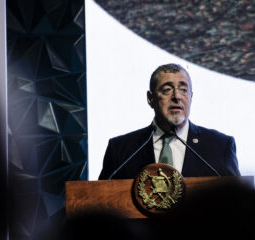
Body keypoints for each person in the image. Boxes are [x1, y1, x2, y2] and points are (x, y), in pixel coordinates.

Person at [99, 63, 240, 179]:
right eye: (167, 90)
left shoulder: (220, 146)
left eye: (183, 90)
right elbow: (101, 200)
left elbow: (238, 201)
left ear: (191, 97)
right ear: (150, 98)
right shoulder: (121, 150)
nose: (177, 96)